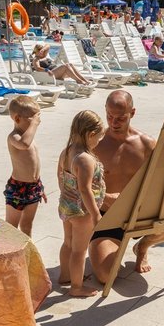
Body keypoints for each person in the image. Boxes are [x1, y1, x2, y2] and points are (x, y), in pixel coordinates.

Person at [89, 91, 164, 278]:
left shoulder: (147, 144)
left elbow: (160, 181)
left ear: (132, 113)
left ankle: (142, 246)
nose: (113, 123)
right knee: (106, 276)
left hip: (138, 213)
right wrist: (104, 199)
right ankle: (111, 246)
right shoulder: (95, 143)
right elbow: (79, 183)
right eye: (110, 116)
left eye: (121, 118)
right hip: (107, 215)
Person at [57, 110, 106, 297]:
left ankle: (65, 275)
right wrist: (95, 214)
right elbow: (85, 189)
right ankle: (76, 287)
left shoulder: (67, 152)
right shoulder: (85, 159)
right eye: (99, 138)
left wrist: (65, 195)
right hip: (82, 211)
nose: (98, 142)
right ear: (90, 134)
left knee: (68, 243)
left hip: (67, 206)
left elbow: (60, 176)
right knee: (79, 250)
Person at [4, 95, 46, 236]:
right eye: (33, 120)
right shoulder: (14, 137)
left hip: (33, 187)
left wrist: (39, 185)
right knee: (11, 227)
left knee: (27, 225)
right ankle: (10, 252)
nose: (37, 123)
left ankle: (27, 253)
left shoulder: (29, 138)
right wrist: (33, 125)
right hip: (18, 188)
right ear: (17, 119)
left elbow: (34, 164)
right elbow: (24, 144)